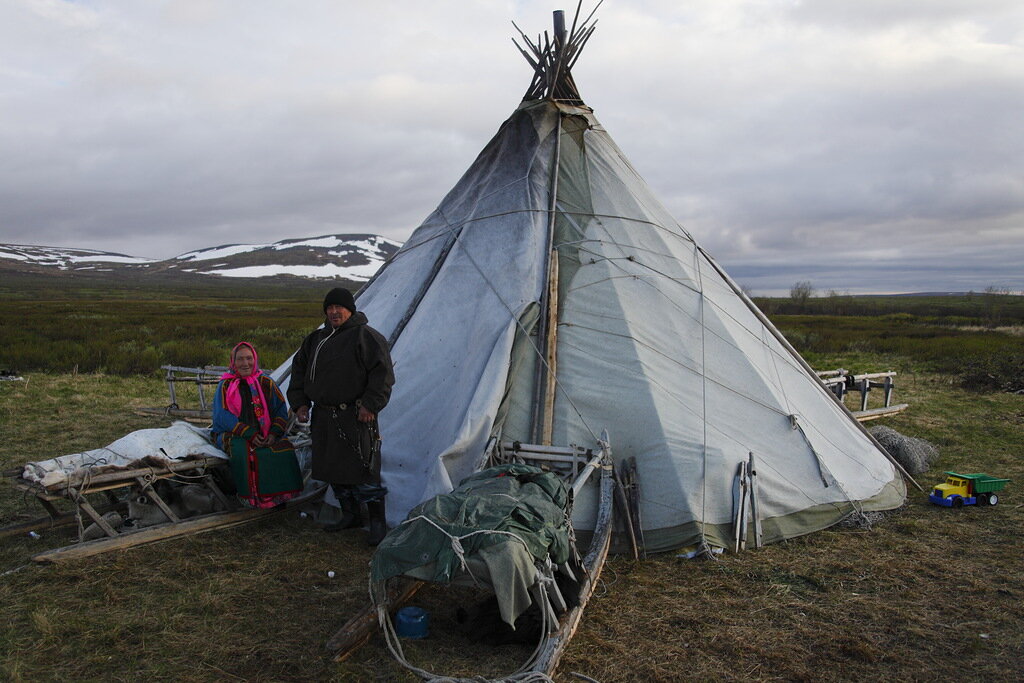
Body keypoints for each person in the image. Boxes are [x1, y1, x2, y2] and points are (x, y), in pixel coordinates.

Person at [288, 287, 395, 544]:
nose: (334, 312)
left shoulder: (366, 336)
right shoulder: (315, 339)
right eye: (330, 308)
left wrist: (371, 404)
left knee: (364, 467)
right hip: (324, 416)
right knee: (333, 467)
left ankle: (377, 523)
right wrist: (300, 402)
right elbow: (299, 371)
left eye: (340, 307)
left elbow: (383, 374)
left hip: (356, 415)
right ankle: (351, 515)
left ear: (350, 310)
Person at [211, 342, 303, 508]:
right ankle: (249, 498)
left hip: (266, 433)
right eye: (240, 359)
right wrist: (249, 434)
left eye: (249, 358)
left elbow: (280, 411)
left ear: (255, 359)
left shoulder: (266, 383)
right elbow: (222, 416)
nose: (245, 363)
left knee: (283, 447)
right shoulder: (225, 386)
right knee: (243, 449)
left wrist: (274, 433)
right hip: (234, 434)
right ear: (233, 362)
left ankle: (279, 497)